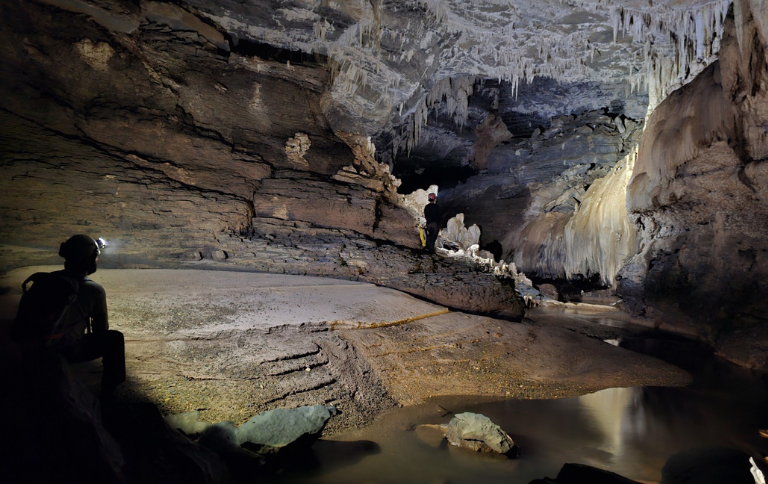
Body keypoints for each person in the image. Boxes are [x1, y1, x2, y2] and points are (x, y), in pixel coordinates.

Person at [53, 234, 125, 402]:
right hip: (65, 350)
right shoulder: (93, 290)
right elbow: (101, 330)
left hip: (37, 346)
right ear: (90, 259)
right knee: (114, 339)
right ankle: (110, 397)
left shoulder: (47, 280)